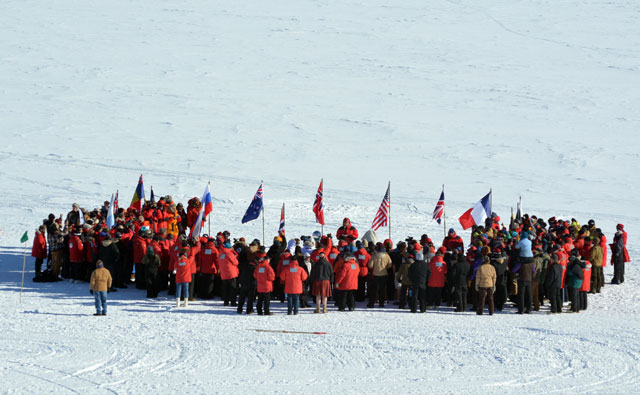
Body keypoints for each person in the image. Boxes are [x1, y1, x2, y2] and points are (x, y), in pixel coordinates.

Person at [367, 243, 392, 308]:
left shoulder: (374, 255)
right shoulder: (386, 255)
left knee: (374, 289)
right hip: (384, 274)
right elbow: (390, 264)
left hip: (375, 274)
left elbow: (370, 265)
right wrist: (385, 267)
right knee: (382, 289)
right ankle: (381, 303)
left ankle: (371, 303)